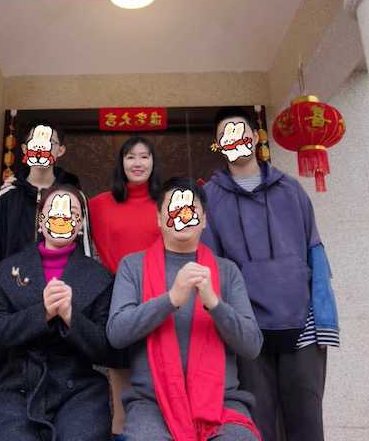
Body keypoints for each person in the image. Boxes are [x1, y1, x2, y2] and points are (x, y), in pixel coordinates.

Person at [202, 107, 340, 441]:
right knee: (258, 423)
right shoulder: (209, 197)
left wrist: (325, 321)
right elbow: (211, 265)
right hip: (247, 330)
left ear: (254, 137)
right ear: (218, 145)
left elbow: (315, 254)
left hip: (302, 325)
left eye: (240, 132)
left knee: (306, 422)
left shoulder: (291, 189)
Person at [107, 177, 263, 441]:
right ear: (158, 218)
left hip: (221, 401)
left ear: (203, 220)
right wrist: (171, 299)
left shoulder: (226, 271)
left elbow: (252, 345)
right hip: (151, 403)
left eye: (191, 210)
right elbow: (117, 333)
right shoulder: (133, 266)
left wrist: (214, 303)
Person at [0, 120, 82, 440]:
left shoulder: (74, 196)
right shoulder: (6, 197)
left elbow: (85, 256)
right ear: (23, 151)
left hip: (62, 321)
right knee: (11, 415)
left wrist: (79, 313)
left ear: (59, 150)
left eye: (49, 144)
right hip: (14, 324)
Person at [0, 184, 121, 441]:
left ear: (80, 225)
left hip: (79, 390)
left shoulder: (100, 278)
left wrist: (71, 318)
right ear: (41, 221)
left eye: (72, 213)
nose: (62, 217)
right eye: (54, 210)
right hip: (16, 387)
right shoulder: (7, 269)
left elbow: (110, 350)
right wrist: (42, 313)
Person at [89, 136, 163, 439]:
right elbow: (58, 207)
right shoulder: (98, 204)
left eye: (144, 156)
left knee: (160, 382)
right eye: (131, 157)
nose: (138, 163)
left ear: (153, 162)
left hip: (160, 298)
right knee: (121, 386)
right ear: (121, 163)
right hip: (117, 300)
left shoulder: (167, 202)